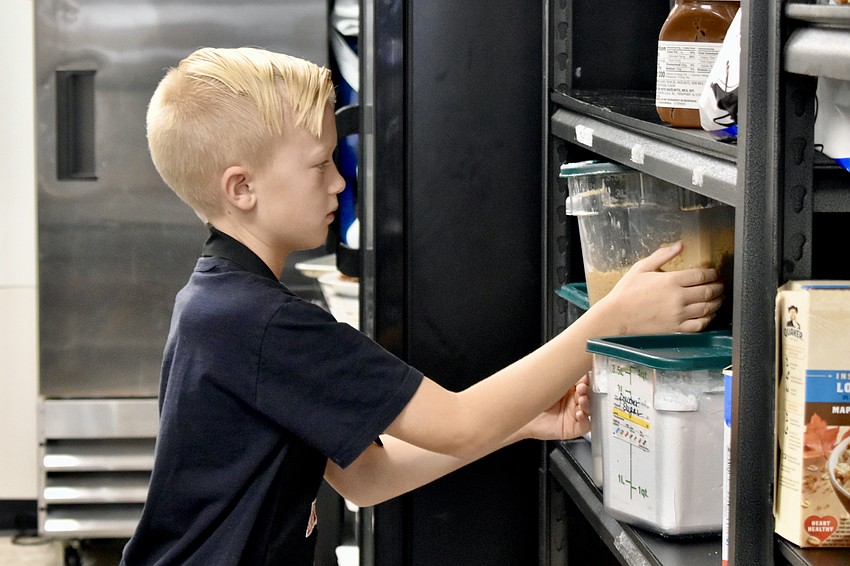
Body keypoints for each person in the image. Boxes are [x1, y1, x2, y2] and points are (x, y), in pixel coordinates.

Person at [120, 46, 724, 565]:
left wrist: (522, 423)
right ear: (241, 187)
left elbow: (367, 478)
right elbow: (459, 423)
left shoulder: (225, 301)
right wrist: (614, 317)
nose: (338, 182)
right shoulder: (262, 323)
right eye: (319, 163)